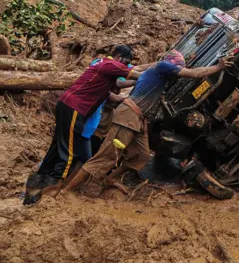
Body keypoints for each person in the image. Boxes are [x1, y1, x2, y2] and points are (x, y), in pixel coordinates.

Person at [62, 50, 233, 195]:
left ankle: (110, 179)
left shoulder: (157, 72)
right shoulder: (162, 66)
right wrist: (218, 67)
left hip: (137, 119)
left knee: (142, 155)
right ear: (172, 64)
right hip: (128, 116)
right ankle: (67, 191)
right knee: (105, 157)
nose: (179, 70)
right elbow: (193, 74)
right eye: (178, 66)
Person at [24, 45, 148, 205]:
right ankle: (53, 194)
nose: (125, 66)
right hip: (75, 108)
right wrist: (153, 76)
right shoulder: (109, 64)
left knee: (56, 150)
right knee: (68, 152)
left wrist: (124, 98)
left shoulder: (103, 68)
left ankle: (33, 192)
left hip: (68, 105)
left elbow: (119, 85)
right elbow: (136, 74)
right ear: (118, 57)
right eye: (125, 62)